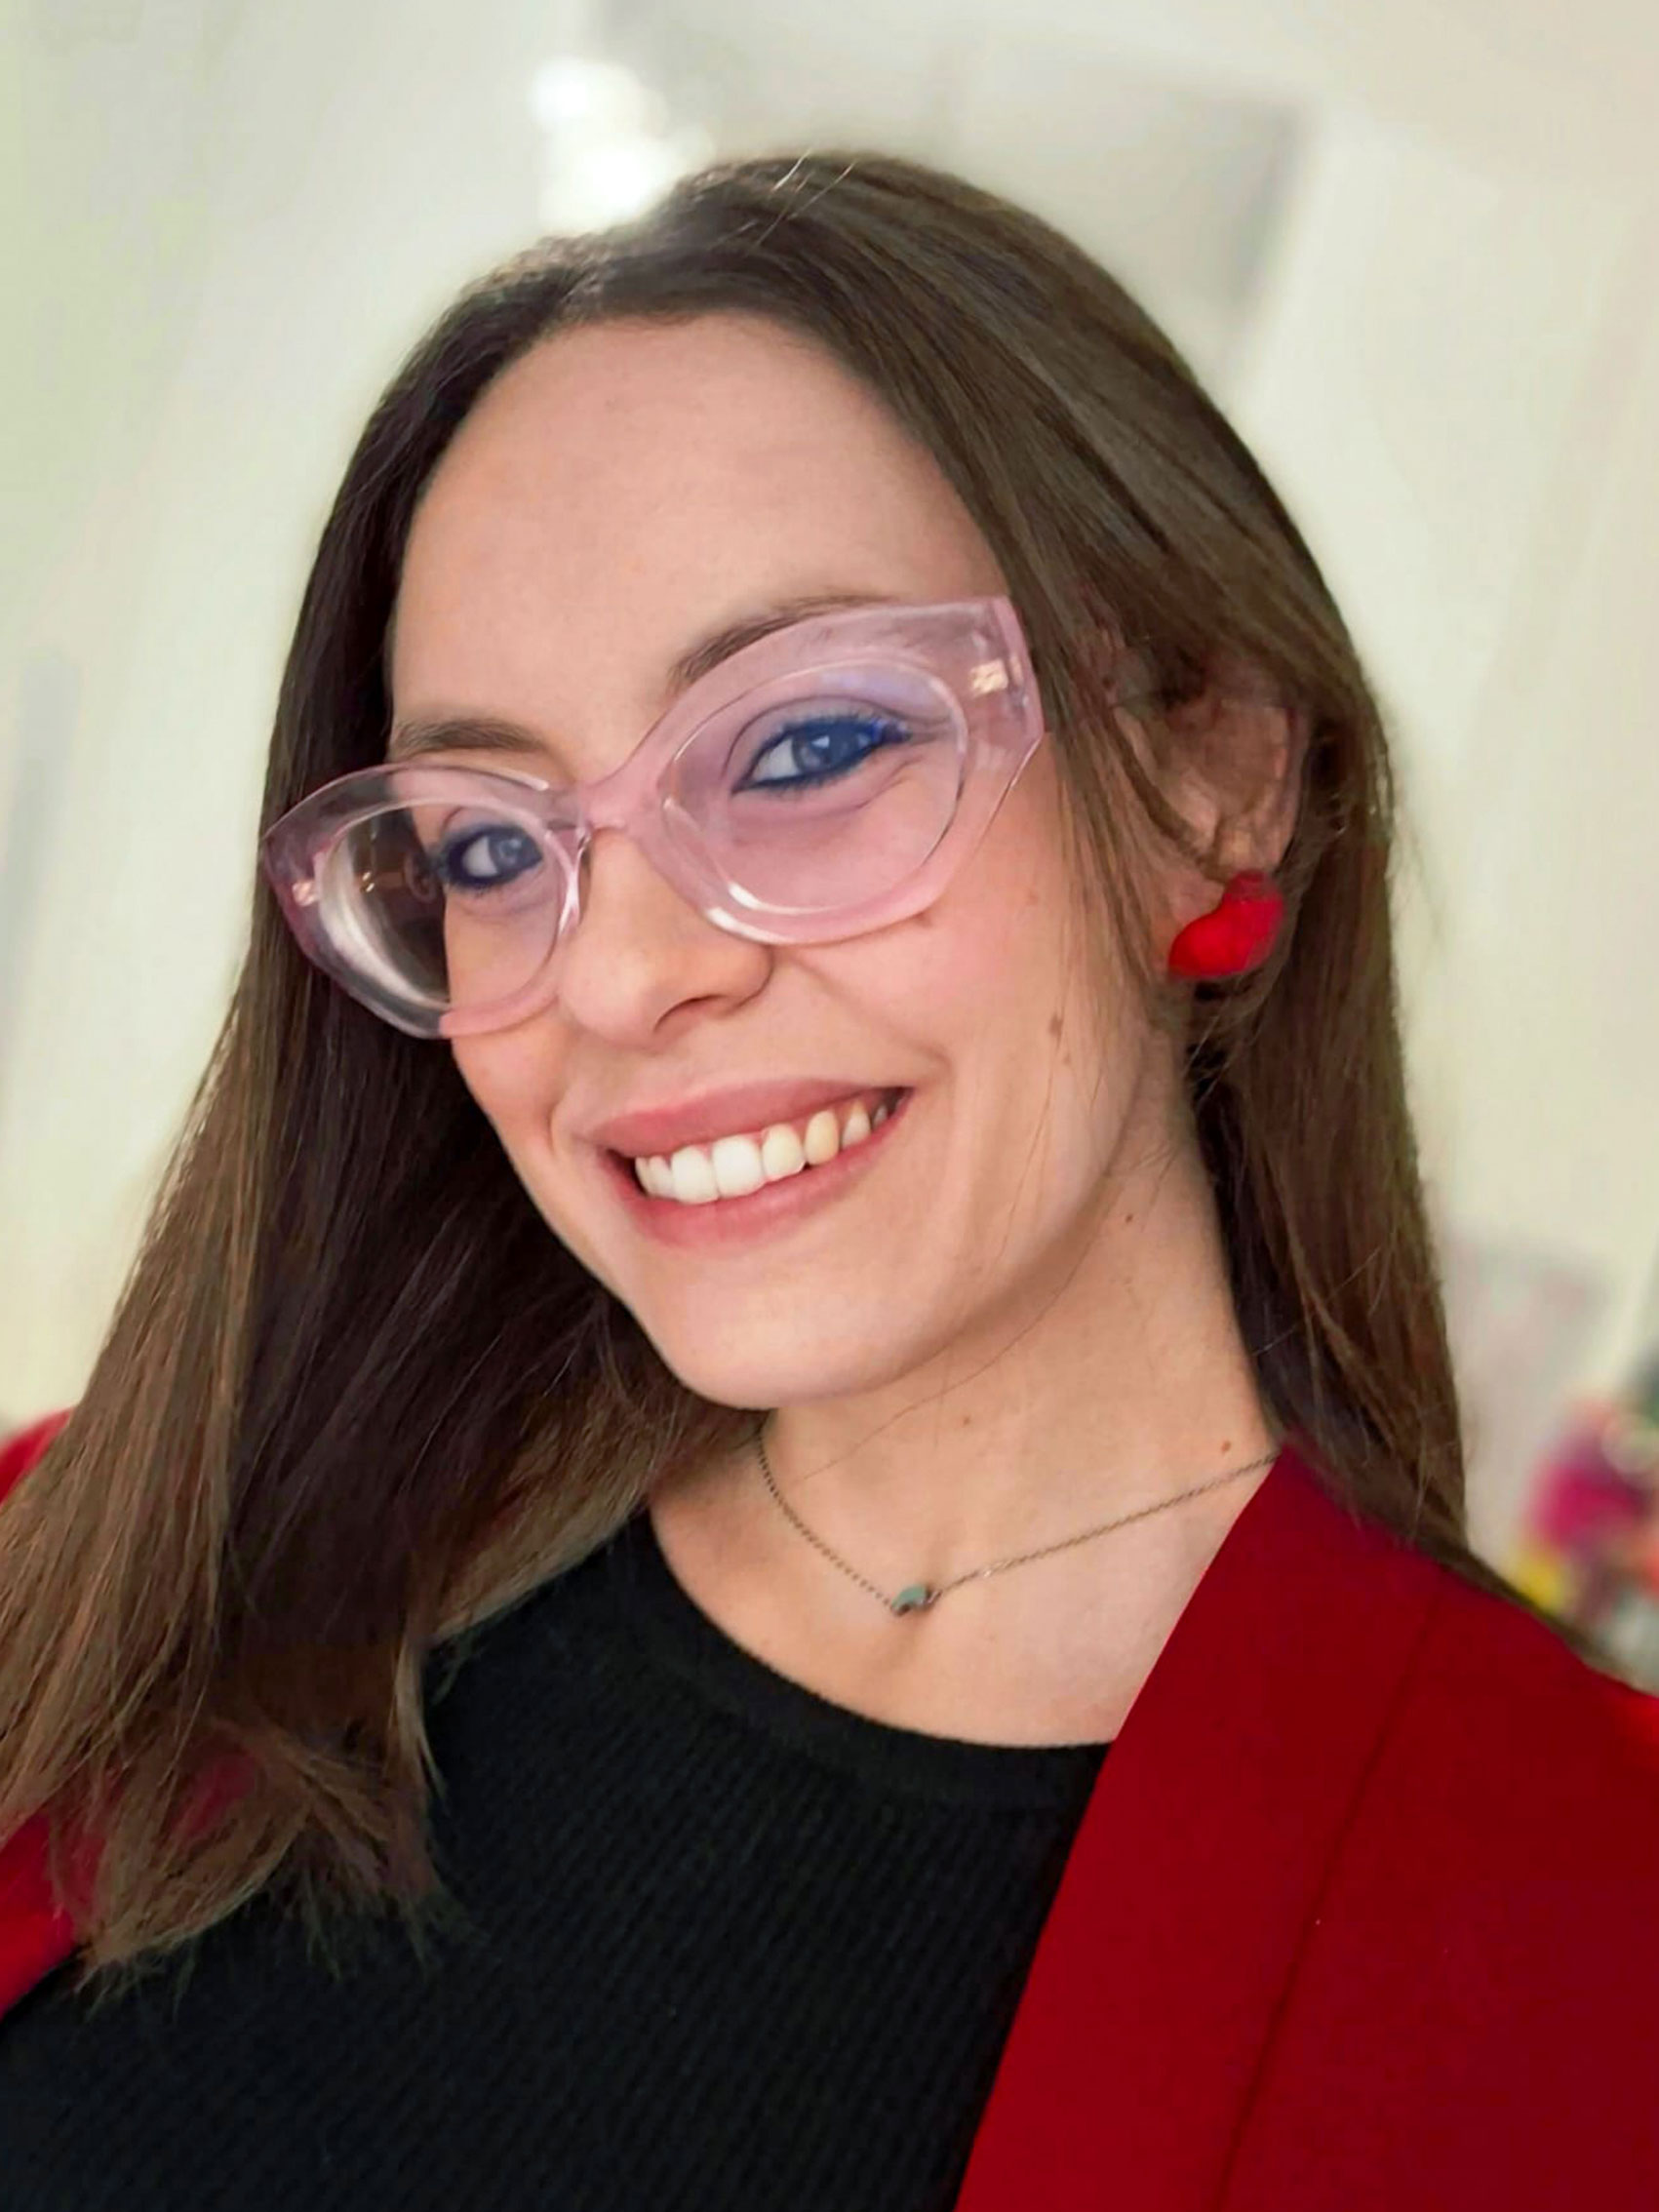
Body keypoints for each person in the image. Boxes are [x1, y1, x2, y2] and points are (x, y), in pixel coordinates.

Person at [1, 149, 1655, 2211]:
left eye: (804, 749)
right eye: (491, 845)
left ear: (1211, 775)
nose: (619, 975)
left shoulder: (1591, 1958)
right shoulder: (100, 1579)